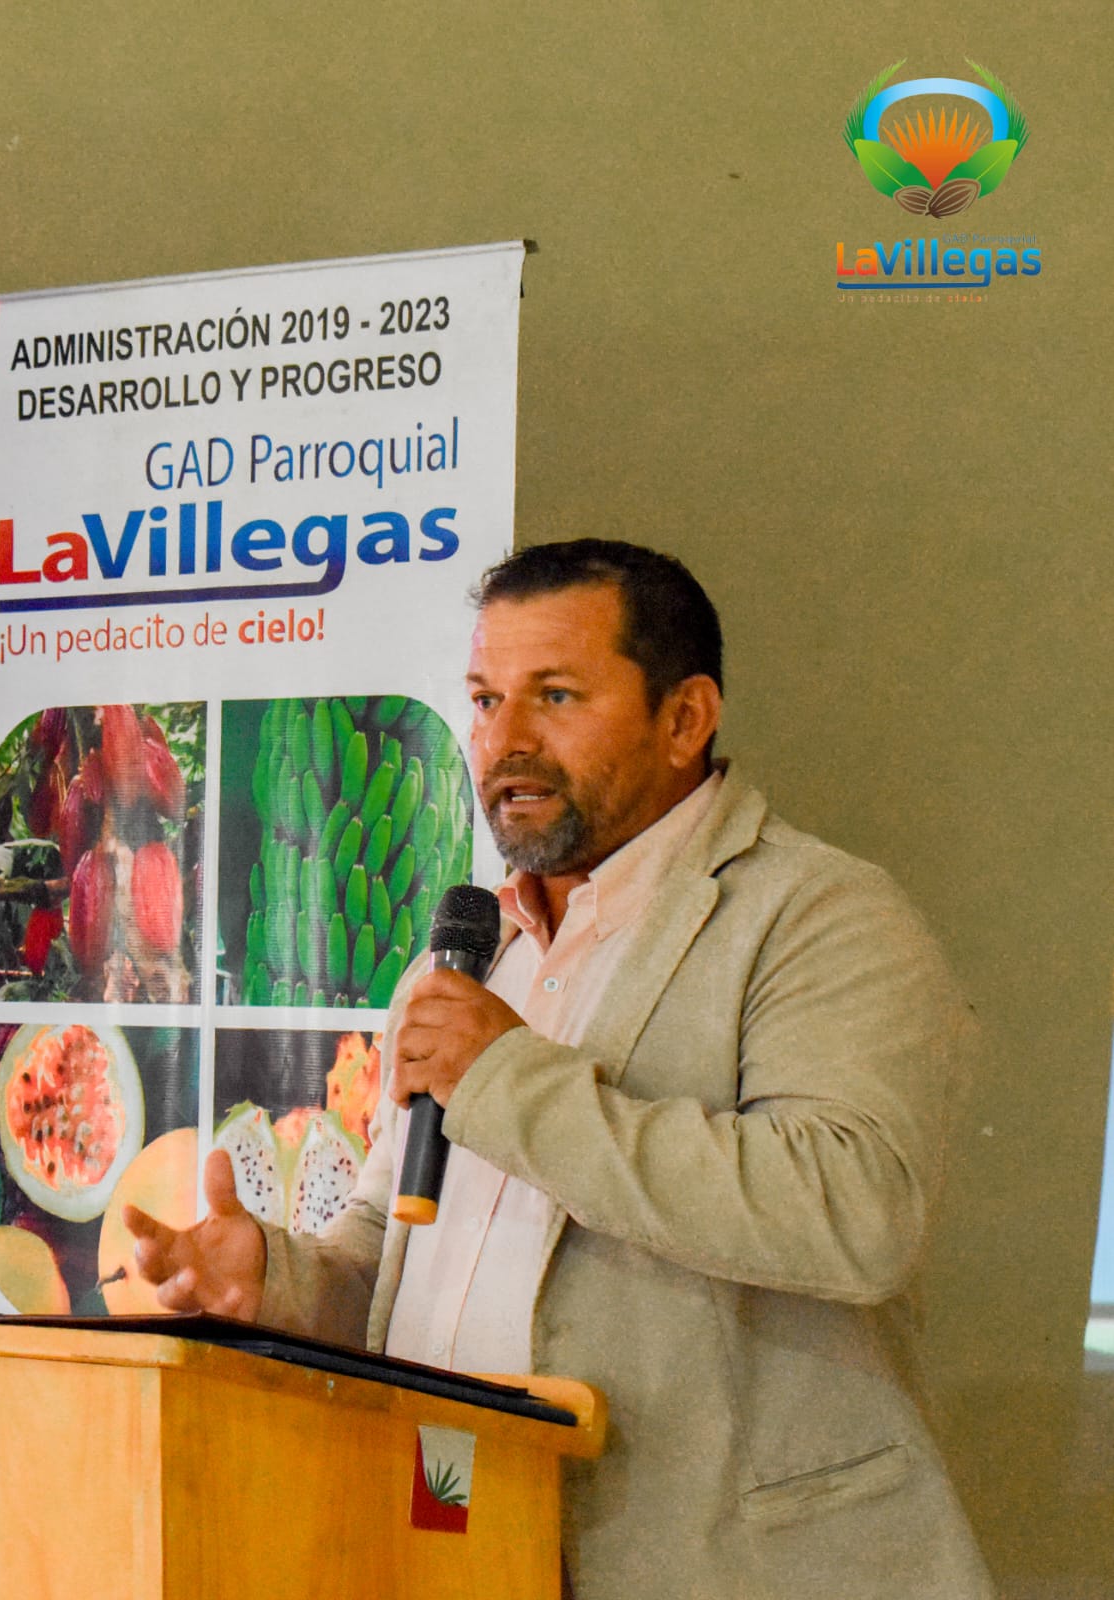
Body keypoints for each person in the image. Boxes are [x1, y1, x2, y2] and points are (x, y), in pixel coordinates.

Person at [127, 539, 994, 1600]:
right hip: (458, 1547)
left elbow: (852, 1211)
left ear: (685, 718)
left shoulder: (817, 915)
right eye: (485, 700)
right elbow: (393, 1245)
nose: (505, 742)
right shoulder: (465, 951)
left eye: (556, 696)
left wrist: (504, 1081)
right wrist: (277, 1280)